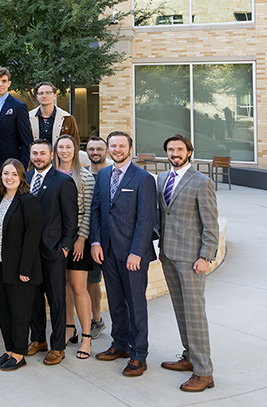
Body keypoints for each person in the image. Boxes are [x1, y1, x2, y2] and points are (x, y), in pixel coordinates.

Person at [90, 131, 158, 377]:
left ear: (130, 148)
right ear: (108, 148)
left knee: (136, 304)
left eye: (121, 145)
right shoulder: (104, 174)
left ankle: (139, 354)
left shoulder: (143, 178)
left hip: (132, 255)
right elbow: (96, 210)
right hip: (107, 251)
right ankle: (120, 344)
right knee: (116, 302)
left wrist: (137, 253)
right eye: (113, 146)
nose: (117, 149)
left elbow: (146, 219)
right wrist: (95, 242)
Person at [157, 134, 218, 392]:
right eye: (171, 149)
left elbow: (211, 224)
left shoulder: (202, 182)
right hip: (169, 254)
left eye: (180, 149)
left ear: (189, 152)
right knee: (181, 310)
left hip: (192, 258)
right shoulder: (161, 179)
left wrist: (206, 256)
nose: (175, 153)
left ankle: (204, 372)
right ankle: (189, 356)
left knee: (194, 314)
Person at [0, 159, 43, 372]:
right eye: (5, 173)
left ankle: (19, 354)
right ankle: (9, 350)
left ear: (21, 178)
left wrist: (25, 268)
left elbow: (32, 236)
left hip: (19, 267)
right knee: (3, 310)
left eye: (14, 174)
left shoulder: (28, 201)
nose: (9, 178)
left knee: (19, 311)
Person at [25, 139, 78, 365]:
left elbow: (71, 219)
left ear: (51, 155)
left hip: (54, 251)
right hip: (29, 252)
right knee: (33, 298)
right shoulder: (25, 178)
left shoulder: (63, 181)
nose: (38, 157)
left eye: (42, 153)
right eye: (35, 153)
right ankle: (38, 340)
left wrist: (65, 247)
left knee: (56, 300)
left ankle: (58, 345)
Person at [54, 134, 96, 360]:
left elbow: (89, 210)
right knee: (62, 287)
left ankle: (87, 336)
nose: (64, 151)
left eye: (68, 147)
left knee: (79, 287)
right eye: (60, 147)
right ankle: (69, 328)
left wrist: (81, 238)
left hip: (78, 238)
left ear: (75, 149)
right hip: (55, 240)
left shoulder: (86, 177)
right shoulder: (50, 175)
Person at [0, 67, 33, 186]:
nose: (0, 84)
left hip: (8, 169)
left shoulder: (19, 107)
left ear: (9, 83)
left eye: (4, 81)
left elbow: (25, 141)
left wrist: (21, 168)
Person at [84, 136, 109, 338]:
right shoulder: (82, 175)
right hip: (87, 237)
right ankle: (96, 320)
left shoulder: (113, 174)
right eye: (91, 149)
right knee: (91, 281)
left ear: (106, 151)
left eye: (99, 149)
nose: (95, 152)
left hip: (110, 237)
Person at [29, 82, 79, 147]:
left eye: (48, 93)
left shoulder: (67, 118)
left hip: (59, 157)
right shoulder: (28, 118)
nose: (44, 96)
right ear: (37, 97)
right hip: (35, 157)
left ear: (55, 96)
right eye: (41, 93)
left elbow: (75, 144)